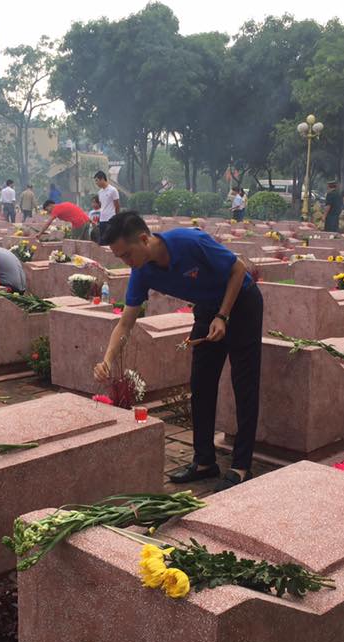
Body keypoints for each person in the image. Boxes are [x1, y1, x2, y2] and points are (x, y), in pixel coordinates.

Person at [96, 211, 262, 491]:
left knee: (244, 384)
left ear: (144, 239)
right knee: (201, 384)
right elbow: (125, 322)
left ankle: (241, 466)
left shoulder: (189, 242)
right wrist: (107, 360)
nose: (126, 262)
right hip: (208, 309)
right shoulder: (142, 271)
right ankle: (204, 461)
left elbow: (238, 269)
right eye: (119, 257)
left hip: (242, 302)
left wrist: (223, 316)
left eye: (126, 254)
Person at [94, 170, 121, 238]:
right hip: (102, 220)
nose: (96, 183)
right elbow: (102, 206)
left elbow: (117, 205)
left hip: (111, 219)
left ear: (102, 179)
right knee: (103, 240)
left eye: (97, 180)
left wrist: (117, 219)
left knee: (111, 239)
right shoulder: (100, 192)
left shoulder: (113, 190)